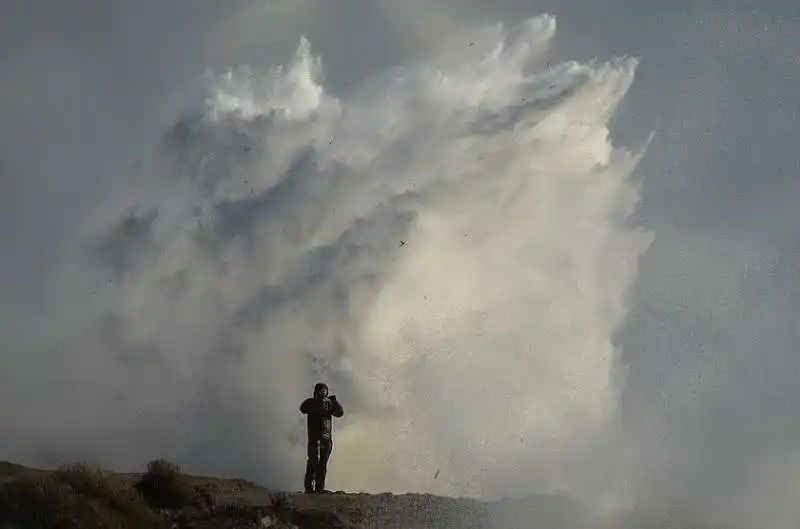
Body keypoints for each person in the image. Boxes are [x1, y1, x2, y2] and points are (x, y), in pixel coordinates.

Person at [299, 382, 344, 493]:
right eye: (319, 392)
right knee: (313, 462)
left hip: (326, 438)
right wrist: (314, 403)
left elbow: (340, 413)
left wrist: (333, 401)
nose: (321, 395)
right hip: (314, 438)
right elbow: (303, 408)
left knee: (322, 464)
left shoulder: (329, 404)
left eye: (323, 392)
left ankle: (319, 488)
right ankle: (309, 488)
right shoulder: (310, 403)